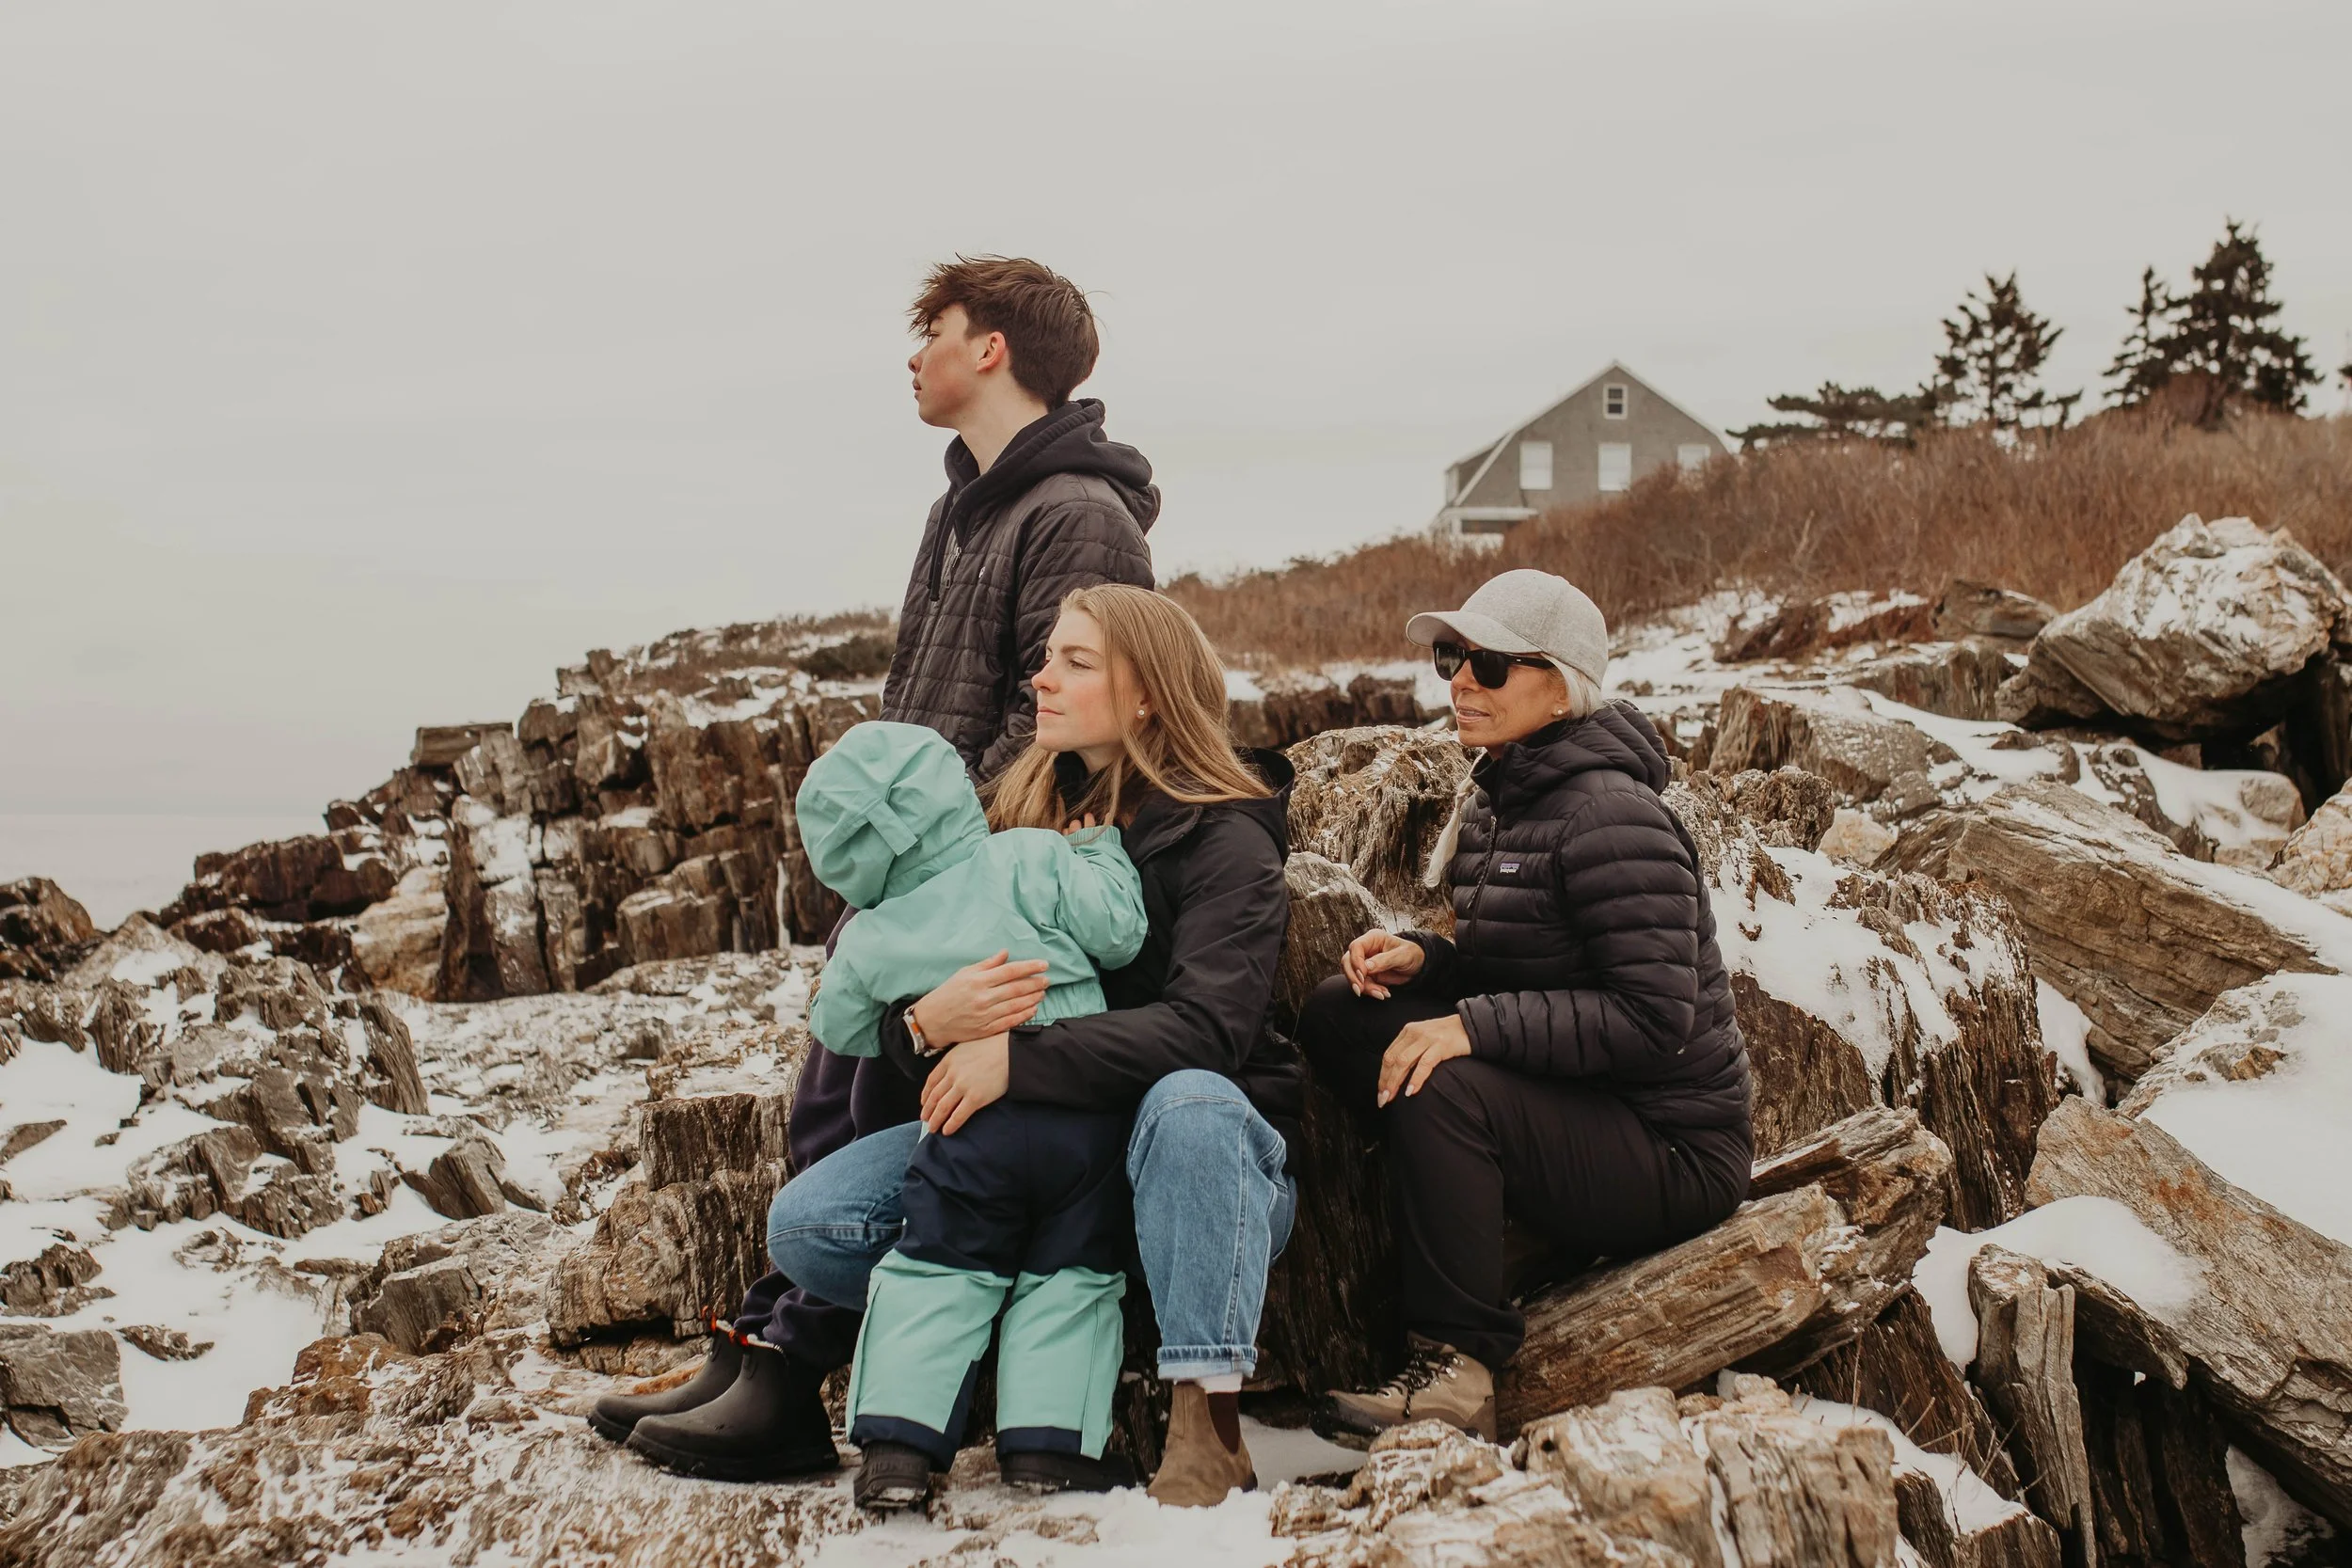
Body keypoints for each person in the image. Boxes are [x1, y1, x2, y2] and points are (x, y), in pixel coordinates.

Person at [599, 585, 1299, 1510]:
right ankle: (916, 1361)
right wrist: (923, 1024)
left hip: (1185, 1176)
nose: (1040, 678)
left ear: (1148, 696)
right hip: (1033, 1154)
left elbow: (1209, 1029)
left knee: (1191, 1102)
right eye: (1046, 655)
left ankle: (1205, 1426)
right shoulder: (1020, 813)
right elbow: (906, 978)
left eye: (1075, 662)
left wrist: (1019, 1057)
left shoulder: (1225, 834)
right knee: (807, 1222)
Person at [1297, 569, 1753, 1444]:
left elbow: (1656, 1020)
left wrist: (1468, 1027)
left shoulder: (1614, 816)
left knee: (1443, 1079)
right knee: (1337, 1013)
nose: (1462, 681)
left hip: (1672, 1144)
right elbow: (1523, 969)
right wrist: (1426, 960)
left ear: (1562, 687)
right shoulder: (1499, 797)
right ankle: (1464, 1209)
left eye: (1492, 664)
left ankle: (1458, 1367)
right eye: (1453, 658)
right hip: (1584, 1102)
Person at [777, 720, 1148, 1507]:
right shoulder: (1031, 855)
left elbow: (837, 1026)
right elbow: (1120, 934)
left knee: (937, 1269)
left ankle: (898, 1452)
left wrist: (908, 1003)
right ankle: (1048, 1447)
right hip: (1081, 1117)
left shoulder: (871, 934)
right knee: (1072, 1274)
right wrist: (1098, 852)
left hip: (967, 1123)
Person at [882, 255, 1157, 782]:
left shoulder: (1080, 515)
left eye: (934, 335)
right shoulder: (952, 510)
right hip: (920, 821)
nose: (915, 360)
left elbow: (1054, 722)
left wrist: (952, 818)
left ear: (989, 350)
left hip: (981, 828)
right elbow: (908, 688)